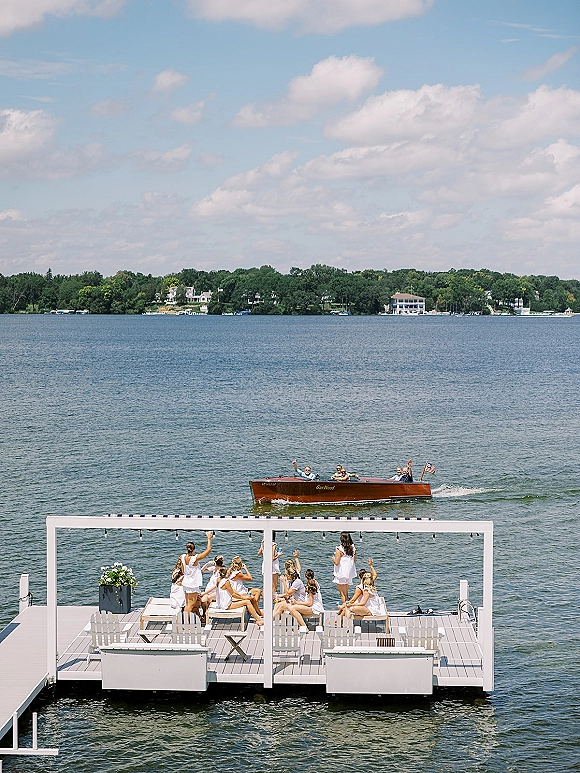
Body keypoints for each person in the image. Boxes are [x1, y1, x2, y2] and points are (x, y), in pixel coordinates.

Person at [181, 532, 213, 620]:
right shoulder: (194, 559)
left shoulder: (183, 557)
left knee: (188, 604)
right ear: (194, 549)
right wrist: (209, 538)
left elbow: (182, 570)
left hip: (186, 582)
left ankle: (186, 620)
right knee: (190, 605)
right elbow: (208, 550)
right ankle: (185, 623)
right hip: (192, 584)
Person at [332, 531, 357, 603]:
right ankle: (346, 608)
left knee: (342, 594)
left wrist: (333, 559)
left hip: (341, 573)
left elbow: (337, 562)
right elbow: (354, 561)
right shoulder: (353, 548)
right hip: (349, 573)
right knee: (346, 593)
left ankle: (345, 609)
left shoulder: (339, 549)